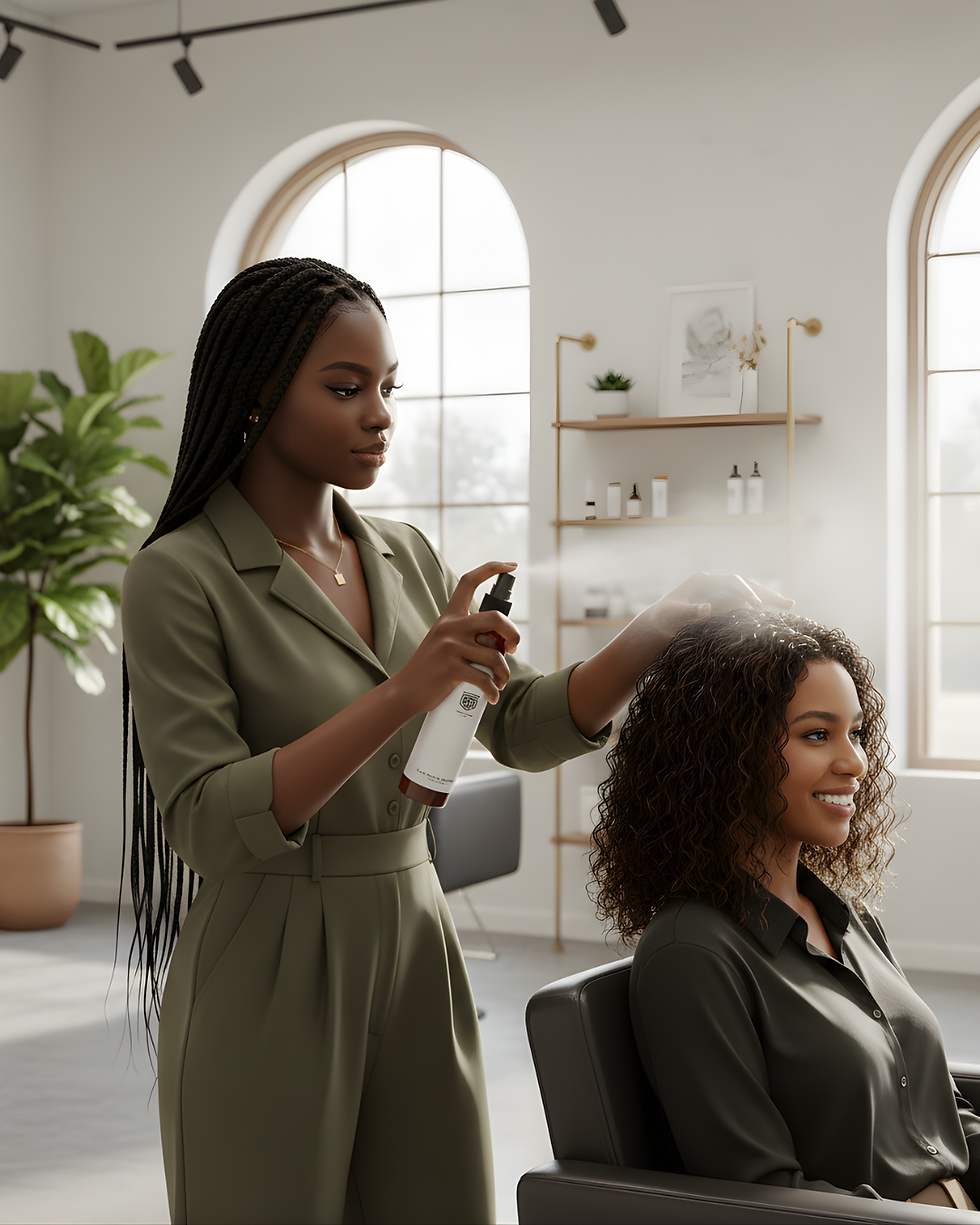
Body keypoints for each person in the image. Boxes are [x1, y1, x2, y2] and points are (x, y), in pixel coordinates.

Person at [121, 256, 786, 1225]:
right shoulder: (178, 576)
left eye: (387, 387)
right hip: (264, 962)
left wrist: (664, 622)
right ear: (258, 395)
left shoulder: (402, 552)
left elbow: (511, 724)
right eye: (344, 388)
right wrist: (403, 690)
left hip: (415, 941)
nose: (378, 414)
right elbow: (207, 821)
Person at [591, 610, 980, 1209]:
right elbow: (760, 1197)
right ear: (724, 751)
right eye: (817, 735)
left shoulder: (847, 918)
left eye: (856, 733)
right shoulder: (691, 954)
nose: (855, 763)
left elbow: (937, 1111)